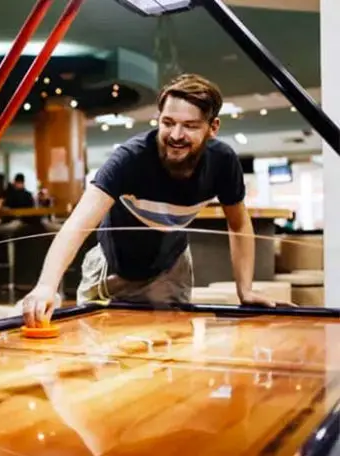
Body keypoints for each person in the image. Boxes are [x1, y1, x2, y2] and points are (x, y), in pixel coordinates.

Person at [20, 73, 292, 327]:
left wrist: (245, 290)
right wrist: (46, 285)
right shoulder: (129, 158)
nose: (175, 135)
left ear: (213, 128)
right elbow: (78, 223)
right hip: (112, 268)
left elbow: (239, 224)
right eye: (168, 122)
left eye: (190, 126)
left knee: (174, 354)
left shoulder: (223, 162)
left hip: (171, 268)